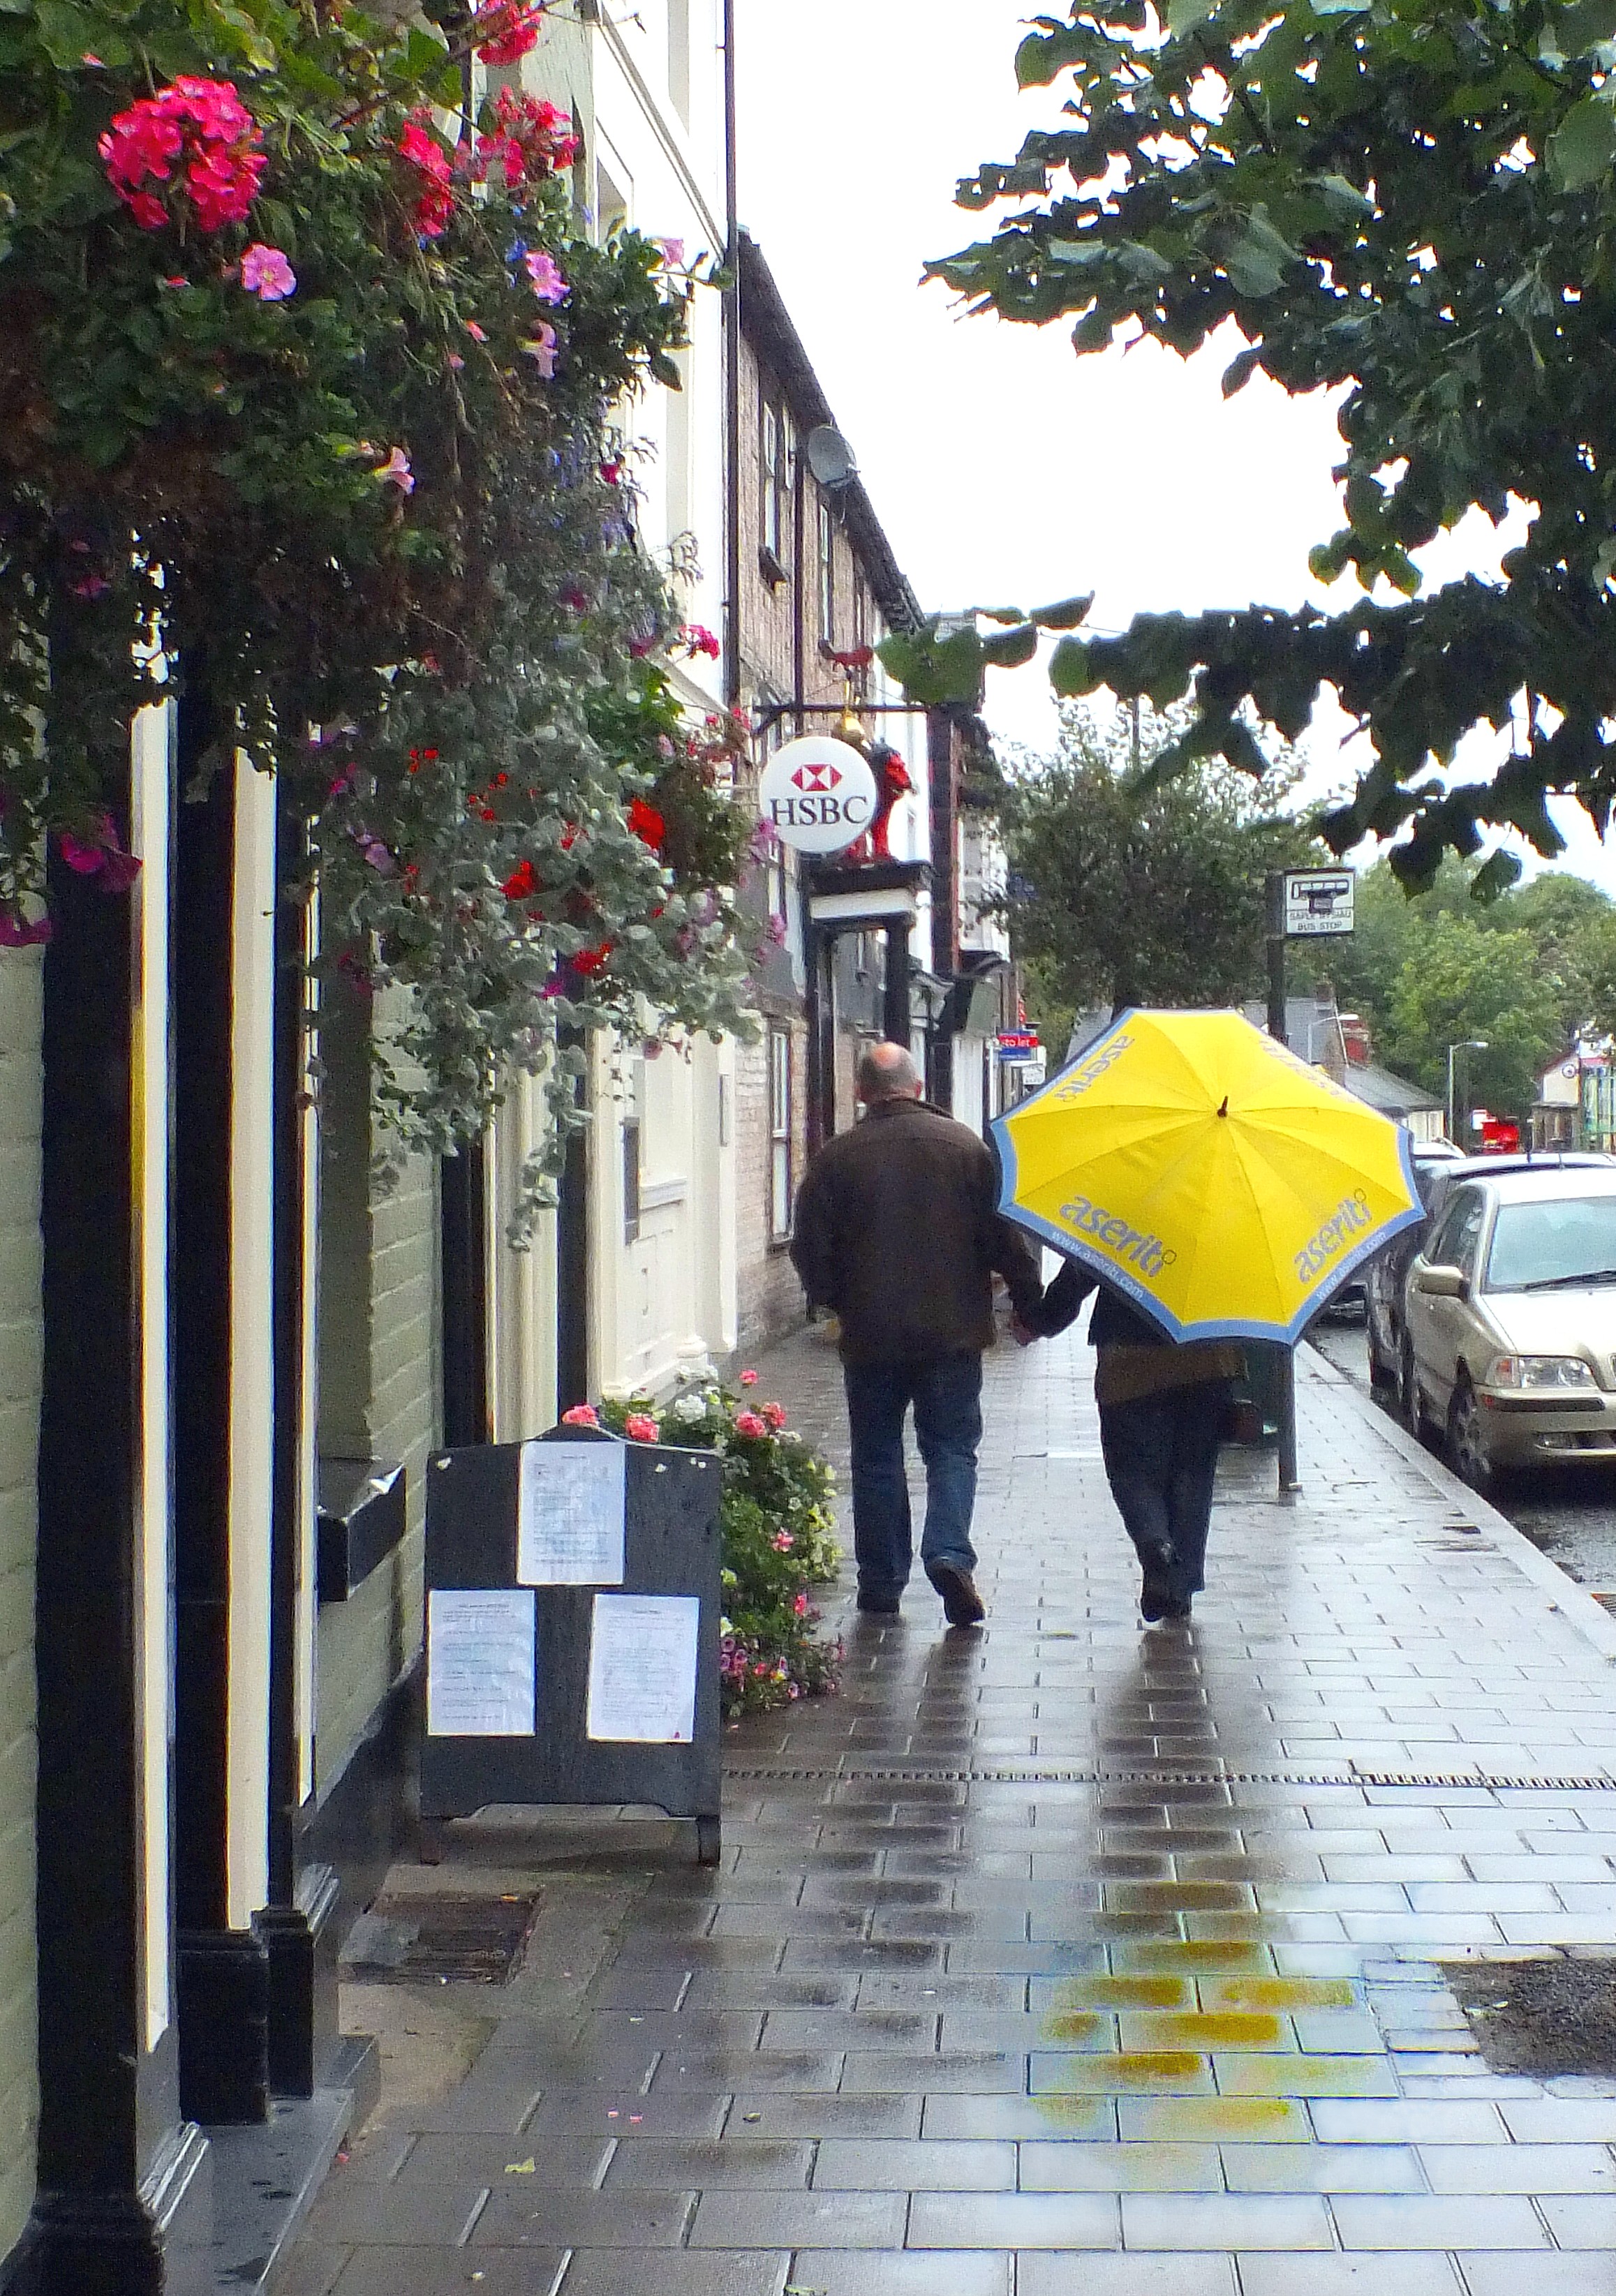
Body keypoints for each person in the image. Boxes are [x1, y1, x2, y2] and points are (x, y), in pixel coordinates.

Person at [790, 1041, 1044, 1626]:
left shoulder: (838, 1158)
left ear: (860, 1092)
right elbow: (1007, 1240)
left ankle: (881, 1583)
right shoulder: (966, 1150)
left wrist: (837, 1300)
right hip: (952, 1334)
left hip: (871, 1336)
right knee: (951, 1449)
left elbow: (809, 1248)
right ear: (919, 1086)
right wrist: (1028, 1307)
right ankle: (949, 1552)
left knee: (877, 1455)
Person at [1020, 1260, 1244, 1623]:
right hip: (1206, 1352)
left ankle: (1156, 1544)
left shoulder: (1119, 1207)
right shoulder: (1228, 1212)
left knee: (1131, 1471)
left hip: (1128, 1354)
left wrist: (1039, 1321)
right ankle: (1179, 1584)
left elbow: (1081, 1270)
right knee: (1193, 1472)